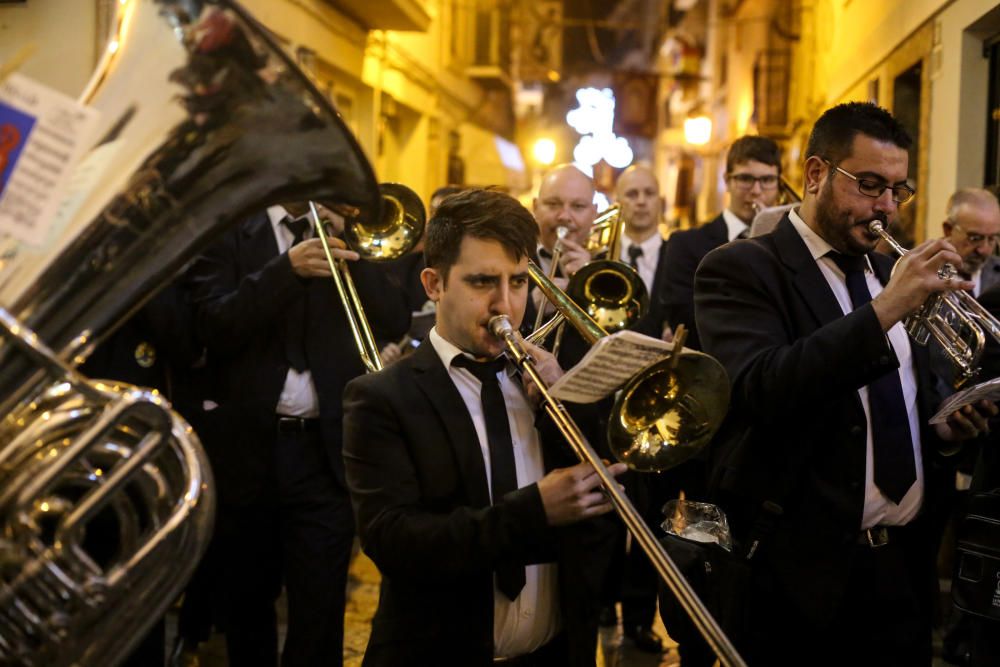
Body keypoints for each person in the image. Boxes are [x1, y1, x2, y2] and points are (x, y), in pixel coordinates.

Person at [693, 101, 996, 666]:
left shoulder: (885, 274)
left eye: (898, 191)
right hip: (797, 581)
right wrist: (886, 309)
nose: (885, 207)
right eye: (870, 186)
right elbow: (762, 387)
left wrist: (949, 429)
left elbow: (905, 404)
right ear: (815, 174)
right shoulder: (741, 268)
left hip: (902, 571)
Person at [342, 188, 628, 666]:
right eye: (482, 282)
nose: (506, 305)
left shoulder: (549, 382)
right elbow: (394, 542)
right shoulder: (381, 397)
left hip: (554, 653)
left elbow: (609, 522)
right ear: (433, 284)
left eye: (519, 282)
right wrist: (534, 510)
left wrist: (571, 409)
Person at [188, 202, 409, 666]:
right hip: (249, 448)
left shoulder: (347, 234)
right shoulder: (228, 226)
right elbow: (212, 325)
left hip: (323, 451)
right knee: (247, 601)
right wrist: (284, 270)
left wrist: (353, 241)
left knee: (321, 606)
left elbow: (394, 319)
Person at [662, 135, 782, 350]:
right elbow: (685, 321)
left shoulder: (786, 244)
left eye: (767, 180)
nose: (756, 191)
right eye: (745, 179)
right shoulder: (685, 245)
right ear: (727, 181)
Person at [941, 188, 1000, 297]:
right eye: (975, 238)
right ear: (948, 230)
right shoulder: (920, 270)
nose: (984, 250)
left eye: (992, 238)